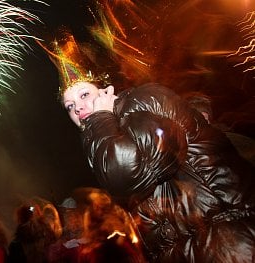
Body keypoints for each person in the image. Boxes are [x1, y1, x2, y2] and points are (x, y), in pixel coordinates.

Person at [47, 33, 255, 262]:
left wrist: (101, 118)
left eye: (84, 94)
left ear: (106, 90)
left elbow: (127, 174)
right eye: (70, 106)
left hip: (227, 243)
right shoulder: (109, 132)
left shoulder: (138, 103)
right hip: (197, 245)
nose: (78, 108)